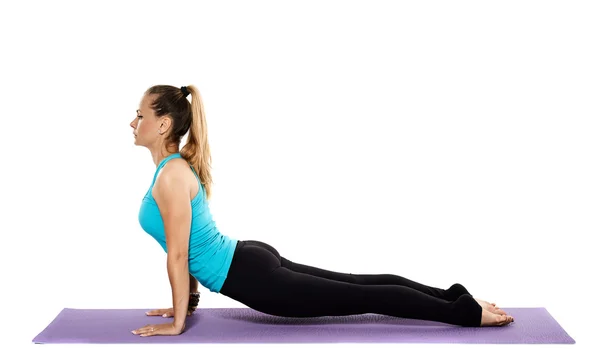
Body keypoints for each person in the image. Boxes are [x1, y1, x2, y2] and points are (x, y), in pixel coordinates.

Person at [129, 84, 515, 337]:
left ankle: (464, 312)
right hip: (248, 259)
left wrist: (179, 324)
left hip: (252, 277)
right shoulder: (170, 171)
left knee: (364, 296)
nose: (133, 122)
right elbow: (182, 248)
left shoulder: (171, 176)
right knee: (362, 285)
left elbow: (180, 254)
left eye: (141, 115)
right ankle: (456, 297)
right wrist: (187, 304)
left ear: (163, 124)